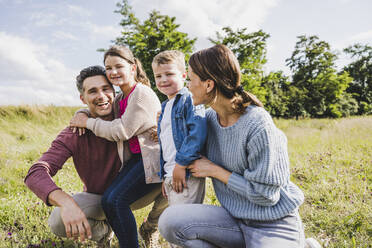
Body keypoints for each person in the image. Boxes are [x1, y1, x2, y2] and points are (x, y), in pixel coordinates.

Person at [158, 44, 306, 248]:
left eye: (190, 79)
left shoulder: (258, 126)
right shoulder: (208, 120)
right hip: (233, 219)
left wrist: (215, 171)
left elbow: (266, 196)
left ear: (208, 85)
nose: (187, 85)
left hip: (273, 222)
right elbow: (182, 132)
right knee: (170, 221)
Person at [24, 65, 167, 248]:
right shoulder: (75, 132)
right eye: (93, 91)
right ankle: (104, 233)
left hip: (136, 193)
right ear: (82, 98)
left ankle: (150, 227)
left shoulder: (128, 120)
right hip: (100, 200)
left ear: (114, 92)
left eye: (106, 89)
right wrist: (66, 202)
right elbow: (35, 173)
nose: (101, 96)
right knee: (57, 221)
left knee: (180, 176)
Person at [69, 46, 164, 248]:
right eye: (108, 68)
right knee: (109, 200)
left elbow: (120, 131)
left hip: (153, 159)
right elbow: (101, 109)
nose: (112, 72)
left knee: (115, 201)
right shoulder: (122, 96)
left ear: (133, 67)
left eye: (118, 66)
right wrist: (83, 113)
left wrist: (86, 123)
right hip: (138, 160)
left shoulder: (141, 94)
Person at [152, 50, 207, 206]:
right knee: (176, 221)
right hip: (172, 173)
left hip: (186, 172)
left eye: (169, 74)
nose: (163, 80)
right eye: (158, 76)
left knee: (183, 222)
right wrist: (166, 176)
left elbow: (197, 134)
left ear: (183, 76)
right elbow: (167, 144)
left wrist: (181, 166)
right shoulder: (165, 107)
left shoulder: (189, 99)